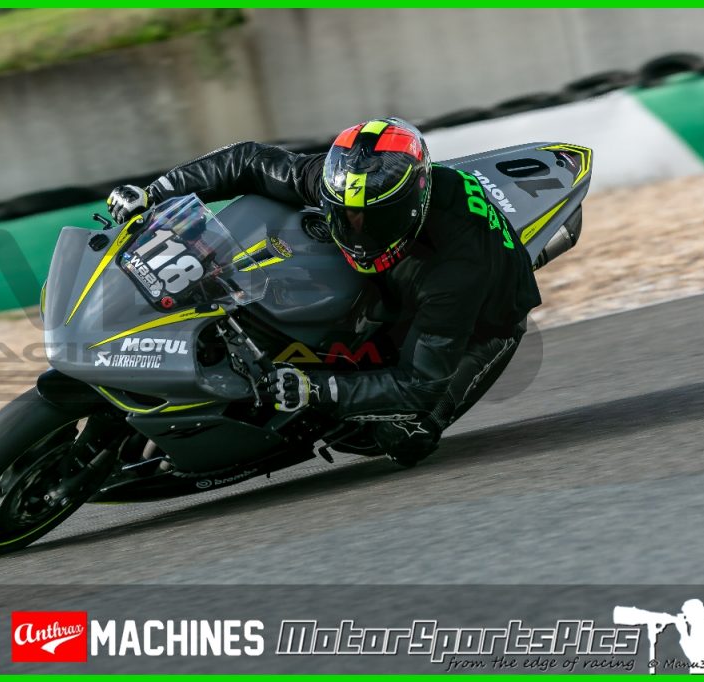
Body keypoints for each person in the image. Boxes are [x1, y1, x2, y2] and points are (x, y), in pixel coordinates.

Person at [107, 117, 541, 466]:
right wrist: (155, 192)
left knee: (403, 435)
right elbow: (248, 160)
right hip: (408, 269)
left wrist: (314, 389)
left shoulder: (455, 273)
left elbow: (419, 384)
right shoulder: (347, 183)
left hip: (484, 323)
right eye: (344, 214)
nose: (356, 230)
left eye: (373, 221)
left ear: (412, 208)